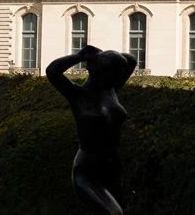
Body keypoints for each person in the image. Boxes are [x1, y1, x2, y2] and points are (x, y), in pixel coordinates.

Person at [47, 45, 137, 215]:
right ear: (98, 72)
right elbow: (52, 71)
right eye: (113, 74)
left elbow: (131, 60)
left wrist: (99, 54)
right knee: (114, 213)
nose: (118, 78)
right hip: (87, 172)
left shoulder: (110, 89)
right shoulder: (78, 96)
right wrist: (81, 56)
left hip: (112, 168)